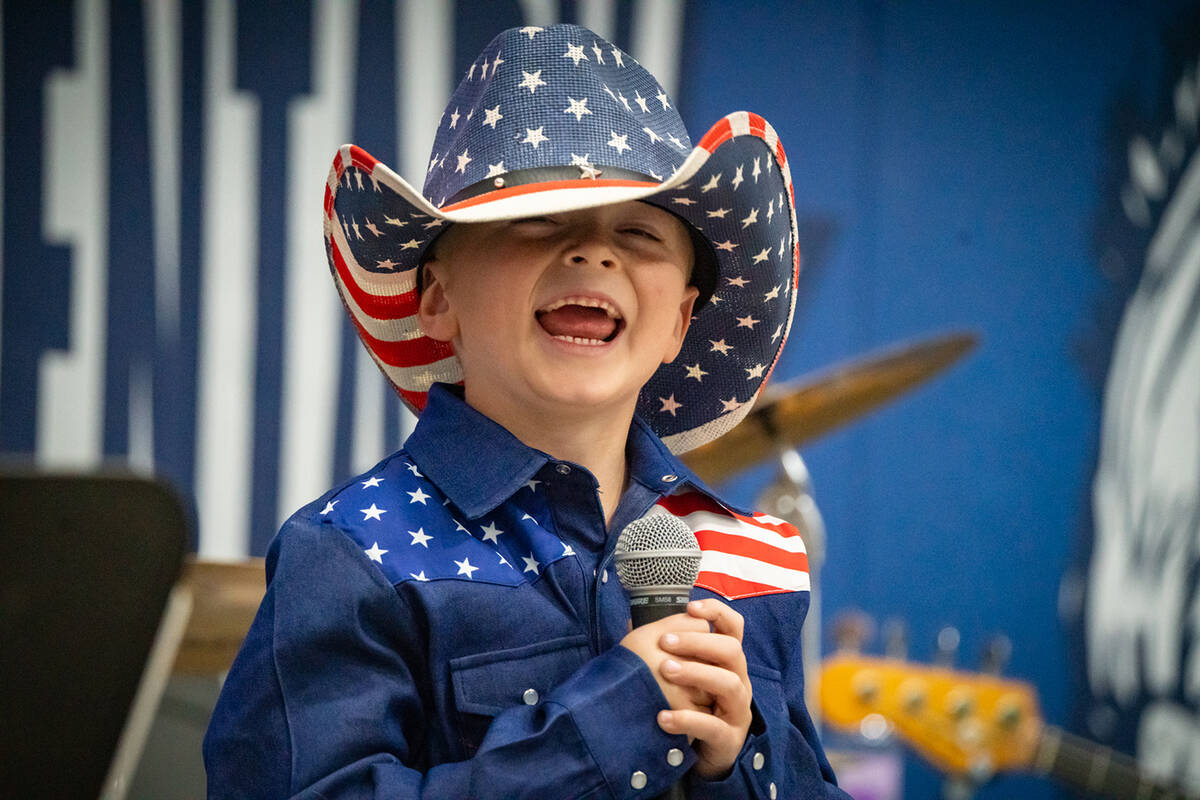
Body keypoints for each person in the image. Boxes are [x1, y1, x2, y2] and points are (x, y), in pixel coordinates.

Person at [205, 23, 849, 799]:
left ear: (680, 322)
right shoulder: (352, 555)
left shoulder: (752, 561)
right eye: (537, 222)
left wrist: (733, 766)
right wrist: (610, 724)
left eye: (639, 232)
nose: (594, 253)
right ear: (437, 299)